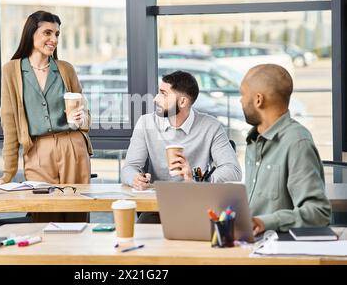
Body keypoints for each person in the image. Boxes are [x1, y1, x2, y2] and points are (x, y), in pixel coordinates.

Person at [0, 11, 93, 222]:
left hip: (73, 147)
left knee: (76, 215)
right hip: (37, 152)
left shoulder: (65, 69)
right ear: (31, 34)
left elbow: (85, 115)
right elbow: (10, 123)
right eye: (47, 33)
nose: (54, 39)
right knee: (44, 216)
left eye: (57, 34)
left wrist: (81, 118)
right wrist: (7, 174)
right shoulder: (12, 71)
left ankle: (77, 255)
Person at [121, 71, 241, 223]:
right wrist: (135, 179)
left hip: (198, 206)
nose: (156, 99)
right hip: (157, 208)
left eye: (163, 94)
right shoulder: (146, 123)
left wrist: (197, 181)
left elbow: (233, 170)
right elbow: (129, 167)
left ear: (182, 102)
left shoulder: (211, 127)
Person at [240, 64, 331, 236]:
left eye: (243, 94)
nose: (240, 100)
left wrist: (265, 222)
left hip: (278, 250)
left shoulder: (297, 142)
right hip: (249, 245)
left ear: (258, 99)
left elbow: (318, 213)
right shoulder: (254, 141)